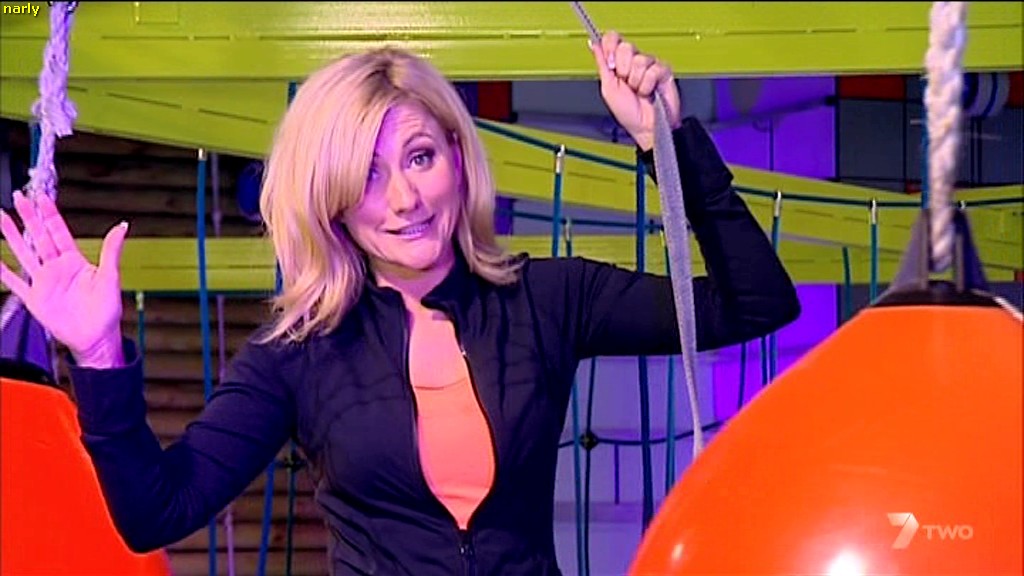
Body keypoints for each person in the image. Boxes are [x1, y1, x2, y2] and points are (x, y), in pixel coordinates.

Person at [0, 32, 800, 575]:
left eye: (419, 157)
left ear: (457, 154)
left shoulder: (547, 298)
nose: (404, 200)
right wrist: (99, 357)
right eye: (366, 177)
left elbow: (757, 303)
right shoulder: (298, 353)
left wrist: (668, 140)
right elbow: (157, 512)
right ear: (332, 202)